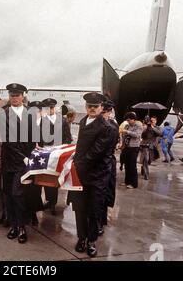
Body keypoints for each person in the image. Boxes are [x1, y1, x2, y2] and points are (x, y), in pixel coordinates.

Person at [67, 92, 111, 257]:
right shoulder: (84, 121)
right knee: (79, 209)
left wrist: (76, 165)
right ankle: (81, 238)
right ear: (86, 107)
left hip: (96, 177)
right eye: (89, 106)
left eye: (95, 106)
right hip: (81, 174)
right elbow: (80, 147)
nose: (92, 109)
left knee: (93, 210)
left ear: (101, 107)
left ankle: (91, 240)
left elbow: (96, 152)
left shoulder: (106, 127)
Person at [0, 83, 35, 244]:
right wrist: (23, 156)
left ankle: (22, 227)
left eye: (17, 95)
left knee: (18, 194)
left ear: (22, 96)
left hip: (23, 163)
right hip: (9, 160)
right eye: (12, 95)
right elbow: (7, 141)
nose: (14, 98)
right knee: (8, 195)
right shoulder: (3, 114)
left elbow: (34, 137)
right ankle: (13, 226)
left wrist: (33, 153)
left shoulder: (30, 114)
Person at [100, 99, 119, 235]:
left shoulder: (112, 126)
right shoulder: (89, 123)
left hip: (106, 162)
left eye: (105, 111)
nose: (103, 114)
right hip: (96, 163)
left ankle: (101, 219)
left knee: (106, 191)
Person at [24, 101, 45, 226]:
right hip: (27, 159)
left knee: (37, 187)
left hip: (39, 160)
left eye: (38, 111)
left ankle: (34, 212)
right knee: (28, 187)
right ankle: (29, 213)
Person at [120, 112, 142, 188]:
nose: (128, 122)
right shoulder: (127, 125)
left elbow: (136, 135)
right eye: (127, 120)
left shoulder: (138, 125)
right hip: (127, 147)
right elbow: (124, 136)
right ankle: (127, 182)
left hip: (134, 147)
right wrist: (122, 144)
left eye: (129, 120)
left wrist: (127, 132)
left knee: (132, 166)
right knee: (127, 165)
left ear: (133, 119)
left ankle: (134, 184)